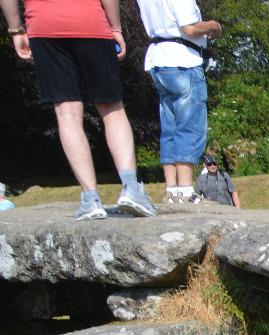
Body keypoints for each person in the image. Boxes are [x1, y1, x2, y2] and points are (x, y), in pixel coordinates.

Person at [2, 0, 157, 220]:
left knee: (67, 113)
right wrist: (115, 27)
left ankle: (90, 198)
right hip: (91, 23)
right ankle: (131, 188)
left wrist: (16, 30)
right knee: (112, 108)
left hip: (44, 27)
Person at [135, 0, 219, 204]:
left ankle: (172, 190)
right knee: (189, 125)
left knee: (169, 126)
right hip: (183, 60)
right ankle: (185, 189)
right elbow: (189, 28)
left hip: (158, 60)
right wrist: (213, 25)